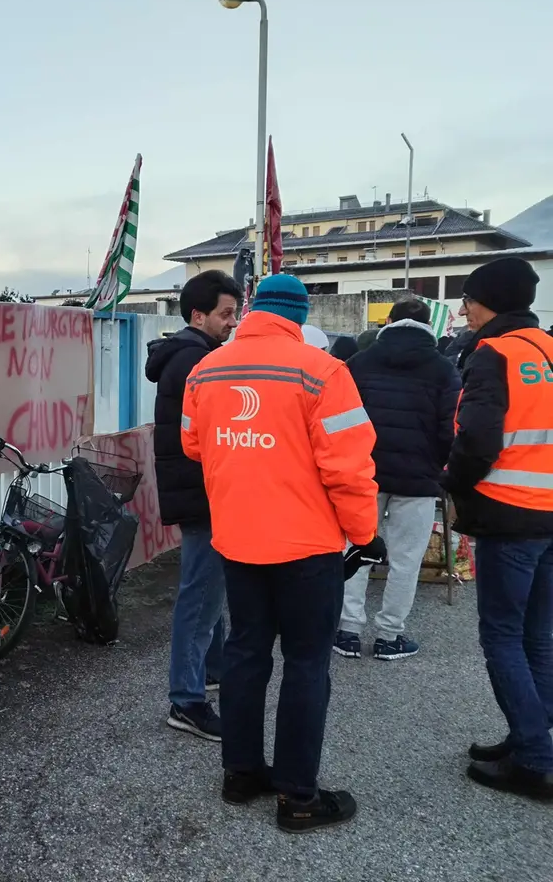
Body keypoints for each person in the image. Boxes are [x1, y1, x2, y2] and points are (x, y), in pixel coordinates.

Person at [182, 274, 383, 833]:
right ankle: (298, 796)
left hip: (238, 540)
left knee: (246, 653)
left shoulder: (206, 369)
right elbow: (349, 468)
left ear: (251, 312)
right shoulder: (323, 371)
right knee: (305, 663)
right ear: (297, 316)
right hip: (307, 546)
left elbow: (192, 443)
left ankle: (241, 772)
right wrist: (364, 535)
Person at [442, 257, 553, 801]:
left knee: (504, 636)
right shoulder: (551, 349)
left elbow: (478, 440)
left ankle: (534, 758)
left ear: (487, 301)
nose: (463, 309)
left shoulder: (493, 354)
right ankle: (530, 738)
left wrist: (453, 483)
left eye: (467, 299)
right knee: (538, 635)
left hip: (511, 514)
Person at [145, 269, 242, 742]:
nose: (233, 322)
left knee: (209, 592)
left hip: (200, 491)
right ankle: (186, 701)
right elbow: (212, 439)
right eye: (226, 314)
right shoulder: (195, 363)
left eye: (235, 313)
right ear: (197, 314)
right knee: (200, 596)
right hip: (204, 493)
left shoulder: (192, 355)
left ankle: (211, 671)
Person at [337, 299, 460, 660]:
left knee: (356, 550)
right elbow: (451, 429)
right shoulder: (442, 367)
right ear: (429, 325)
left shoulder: (361, 361)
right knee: (407, 559)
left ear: (388, 321)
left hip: (364, 474)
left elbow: (340, 416)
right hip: (419, 479)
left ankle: (347, 631)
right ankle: (389, 635)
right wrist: (440, 468)